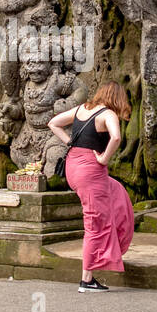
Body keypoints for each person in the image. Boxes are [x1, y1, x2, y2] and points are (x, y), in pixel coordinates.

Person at [47, 82, 134, 292]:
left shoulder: (82, 108)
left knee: (117, 193)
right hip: (90, 170)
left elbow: (53, 123)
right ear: (117, 98)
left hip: (73, 168)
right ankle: (86, 279)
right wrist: (104, 158)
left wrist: (70, 142)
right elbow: (116, 137)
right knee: (95, 223)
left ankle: (113, 242)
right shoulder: (108, 114)